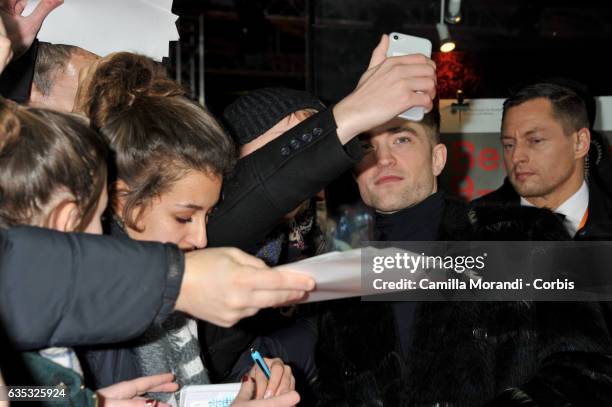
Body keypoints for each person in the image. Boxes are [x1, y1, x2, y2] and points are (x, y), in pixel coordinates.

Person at [312, 108, 612, 406]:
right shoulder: (343, 279)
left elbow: (588, 368)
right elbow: (331, 394)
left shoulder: (526, 235)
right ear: (354, 172)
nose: (383, 158)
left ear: (437, 158)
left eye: (401, 140)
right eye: (367, 147)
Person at [473, 81, 612, 240]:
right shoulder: (470, 227)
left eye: (536, 141)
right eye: (509, 145)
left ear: (580, 143)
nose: (517, 157)